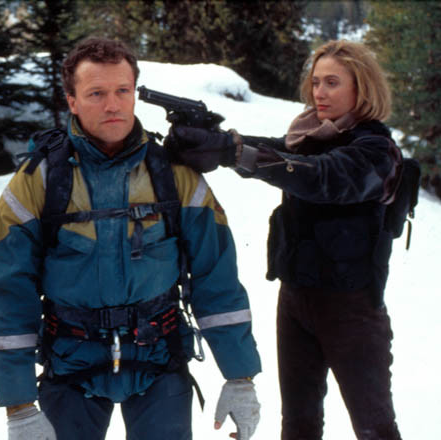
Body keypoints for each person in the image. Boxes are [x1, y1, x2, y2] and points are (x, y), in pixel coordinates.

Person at [0, 37, 261, 440]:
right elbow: (5, 292)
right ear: (72, 101)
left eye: (122, 91)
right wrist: (19, 406)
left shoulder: (174, 176)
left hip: (160, 360)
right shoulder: (38, 180)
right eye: (96, 93)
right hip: (70, 364)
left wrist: (240, 377)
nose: (113, 105)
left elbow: (218, 280)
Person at [166, 40, 403, 439]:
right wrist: (224, 146)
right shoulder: (311, 135)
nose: (319, 92)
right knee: (297, 423)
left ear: (361, 88)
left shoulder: (377, 149)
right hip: (295, 300)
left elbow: (321, 176)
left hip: (351, 309)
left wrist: (234, 152)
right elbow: (283, 153)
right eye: (316, 82)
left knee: (374, 428)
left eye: (332, 83)